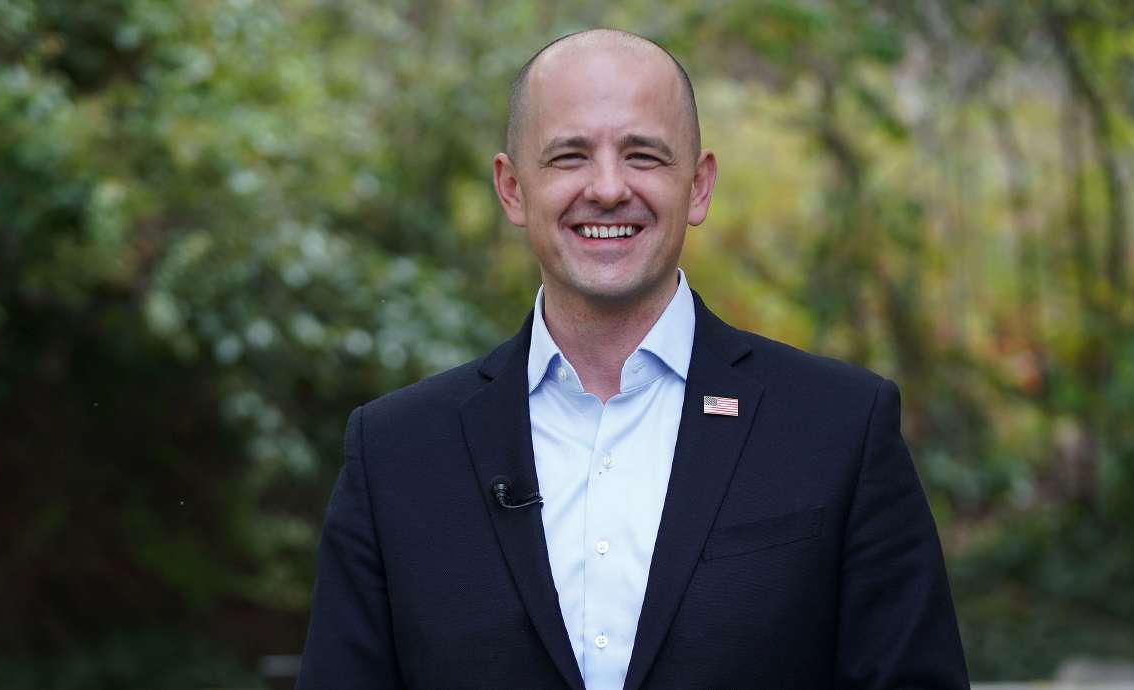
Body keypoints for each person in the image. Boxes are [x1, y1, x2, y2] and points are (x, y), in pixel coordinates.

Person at [297, 29, 968, 689]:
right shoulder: (396, 453)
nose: (610, 188)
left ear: (699, 186)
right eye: (569, 157)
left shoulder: (839, 427)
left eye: (644, 155)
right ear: (512, 189)